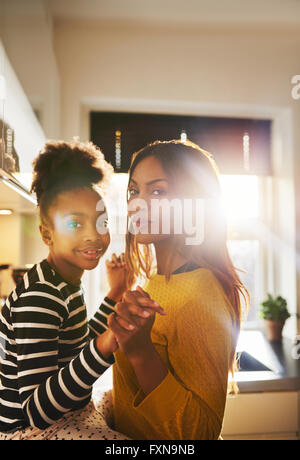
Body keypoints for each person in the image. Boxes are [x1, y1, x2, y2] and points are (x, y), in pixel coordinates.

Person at [0, 140, 164, 440]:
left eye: (101, 221)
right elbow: (37, 411)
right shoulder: (40, 296)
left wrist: (115, 293)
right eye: (75, 223)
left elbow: (75, 350)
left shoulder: (64, 283)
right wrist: (107, 343)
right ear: (46, 233)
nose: (93, 235)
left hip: (69, 415)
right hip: (29, 433)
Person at [99, 140, 250, 440]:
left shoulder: (201, 293)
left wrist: (142, 353)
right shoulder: (156, 282)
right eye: (133, 191)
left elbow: (202, 434)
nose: (137, 204)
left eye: (158, 191)